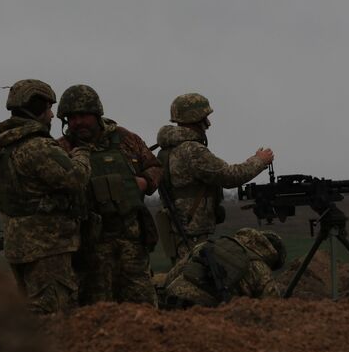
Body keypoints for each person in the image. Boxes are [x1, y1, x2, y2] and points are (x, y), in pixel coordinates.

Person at [0, 79, 91, 314]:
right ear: (37, 108)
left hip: (17, 243)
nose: (52, 115)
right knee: (51, 313)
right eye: (49, 108)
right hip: (47, 245)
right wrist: (82, 151)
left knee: (30, 312)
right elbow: (76, 177)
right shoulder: (37, 147)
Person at [56, 84, 162, 306]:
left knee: (142, 303)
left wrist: (144, 181)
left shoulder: (125, 139)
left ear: (96, 114)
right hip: (90, 245)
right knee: (96, 307)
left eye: (83, 115)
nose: (77, 122)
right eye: (72, 118)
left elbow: (155, 166)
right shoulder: (62, 148)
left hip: (131, 240)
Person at [155, 93, 274, 260]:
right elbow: (229, 176)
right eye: (205, 119)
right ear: (195, 119)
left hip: (180, 230)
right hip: (192, 232)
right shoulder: (192, 150)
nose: (208, 124)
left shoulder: (168, 149)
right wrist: (259, 161)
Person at [155, 228, 286, 308]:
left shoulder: (211, 244)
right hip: (204, 312)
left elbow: (174, 273)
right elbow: (271, 308)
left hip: (171, 299)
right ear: (273, 257)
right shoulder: (261, 269)